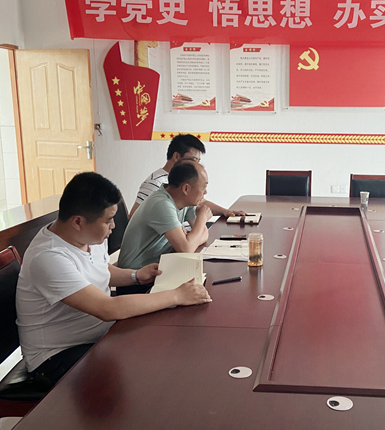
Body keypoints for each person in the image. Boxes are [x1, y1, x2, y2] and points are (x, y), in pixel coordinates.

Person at [16, 172, 211, 390]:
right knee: (148, 371)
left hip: (100, 335)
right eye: (108, 220)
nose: (113, 227)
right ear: (78, 221)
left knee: (164, 346)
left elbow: (100, 269)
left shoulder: (88, 235)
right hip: (57, 357)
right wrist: (177, 295)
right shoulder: (48, 257)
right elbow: (108, 309)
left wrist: (135, 276)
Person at [117, 161, 210, 293]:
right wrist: (202, 218)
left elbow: (204, 234)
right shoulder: (162, 204)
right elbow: (186, 249)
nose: (205, 192)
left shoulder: (185, 201)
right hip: (137, 280)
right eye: (204, 187)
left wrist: (190, 239)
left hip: (158, 270)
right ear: (186, 189)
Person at [130, 133, 244, 219]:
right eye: (193, 160)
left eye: (198, 161)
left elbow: (201, 202)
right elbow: (135, 218)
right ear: (176, 156)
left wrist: (226, 212)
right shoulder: (155, 183)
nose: (197, 165)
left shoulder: (183, 180)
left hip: (188, 232)